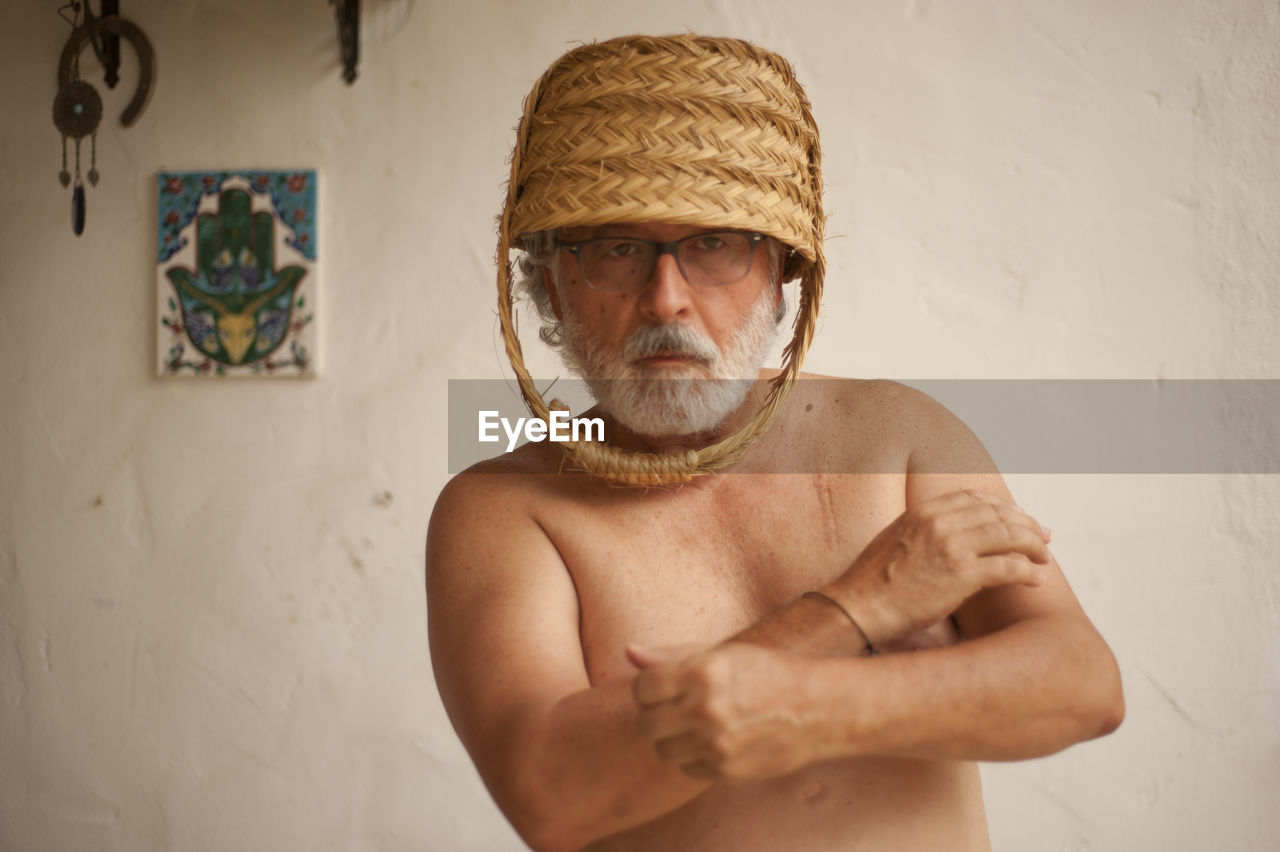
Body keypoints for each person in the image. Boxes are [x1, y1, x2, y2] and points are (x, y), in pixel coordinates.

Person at [427, 34, 1123, 852]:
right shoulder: (503, 511)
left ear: (782, 266)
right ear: (551, 280)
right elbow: (552, 794)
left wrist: (811, 710)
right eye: (616, 249)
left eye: (714, 244)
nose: (667, 299)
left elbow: (1082, 685)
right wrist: (855, 612)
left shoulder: (898, 438)